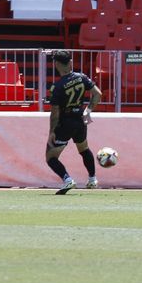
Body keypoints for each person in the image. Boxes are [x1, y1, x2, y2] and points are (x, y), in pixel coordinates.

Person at [44, 50, 103, 193]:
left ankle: (67, 180)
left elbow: (55, 112)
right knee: (83, 149)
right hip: (80, 121)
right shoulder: (81, 77)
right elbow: (97, 94)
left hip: (65, 123)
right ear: (70, 63)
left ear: (56, 64)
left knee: (50, 157)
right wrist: (88, 111)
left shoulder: (57, 87)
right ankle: (92, 179)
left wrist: (52, 131)